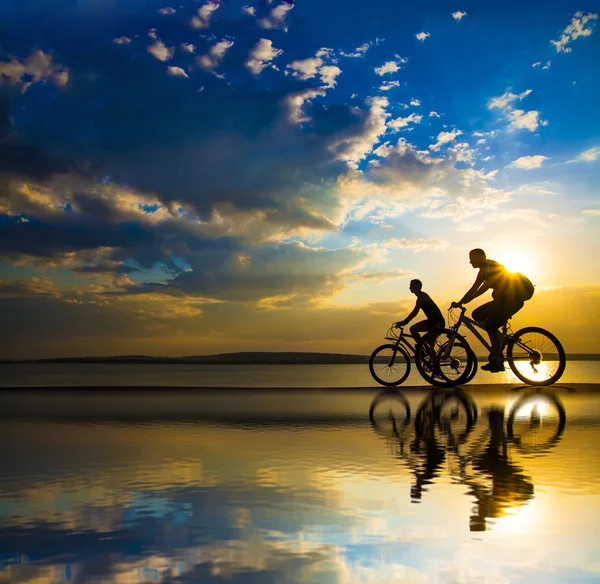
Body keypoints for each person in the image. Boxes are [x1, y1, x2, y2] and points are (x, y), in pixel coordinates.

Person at [452, 248, 525, 372]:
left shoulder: (491, 266)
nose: (470, 262)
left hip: (511, 301)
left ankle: (497, 360)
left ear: (480, 257)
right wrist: (461, 301)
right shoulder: (482, 272)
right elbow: (473, 288)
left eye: (472, 258)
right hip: (504, 302)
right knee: (480, 317)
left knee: (482, 318)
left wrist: (470, 299)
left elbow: (485, 287)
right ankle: (501, 340)